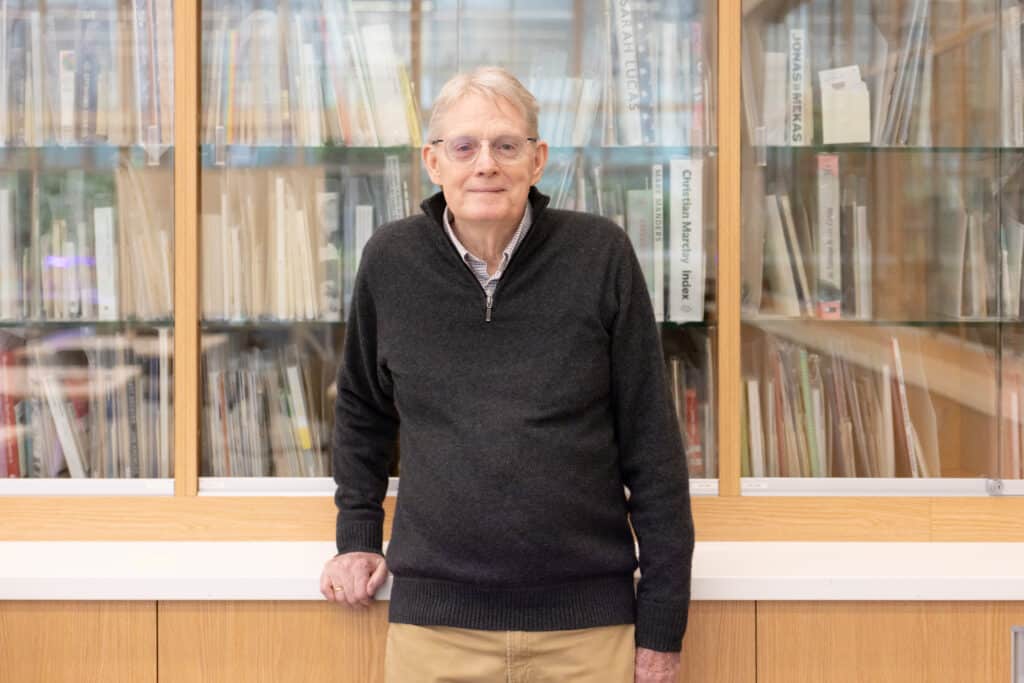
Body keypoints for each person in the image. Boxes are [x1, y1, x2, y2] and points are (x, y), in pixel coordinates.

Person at [319, 66, 694, 683]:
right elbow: (361, 409)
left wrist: (661, 629)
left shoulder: (601, 254)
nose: (486, 165)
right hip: (435, 632)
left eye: (506, 145)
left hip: (586, 632)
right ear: (434, 162)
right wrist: (357, 534)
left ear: (537, 159)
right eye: (464, 146)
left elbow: (652, 449)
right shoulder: (390, 259)